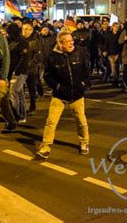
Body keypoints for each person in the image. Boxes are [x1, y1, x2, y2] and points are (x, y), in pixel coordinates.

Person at [36, 31, 90, 159]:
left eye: (72, 40)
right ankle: (46, 146)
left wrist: (84, 84)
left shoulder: (79, 53)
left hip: (77, 94)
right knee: (51, 122)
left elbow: (86, 70)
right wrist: (57, 87)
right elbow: (48, 76)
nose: (72, 43)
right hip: (59, 95)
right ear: (60, 44)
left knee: (81, 121)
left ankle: (84, 142)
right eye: (68, 41)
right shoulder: (52, 57)